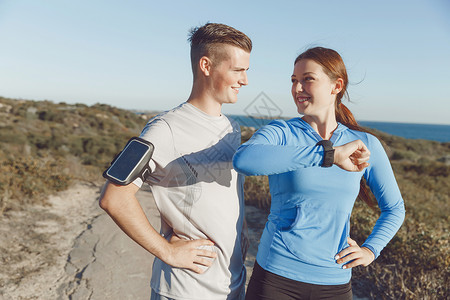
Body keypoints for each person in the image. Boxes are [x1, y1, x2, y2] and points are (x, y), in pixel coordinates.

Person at [233, 47, 405, 300]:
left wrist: (371, 249)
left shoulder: (364, 143)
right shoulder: (281, 132)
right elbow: (244, 160)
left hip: (335, 281)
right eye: (294, 80)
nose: (297, 88)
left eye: (307, 79)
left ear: (336, 86)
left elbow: (395, 208)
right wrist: (328, 155)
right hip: (276, 277)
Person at [99, 23, 252, 300]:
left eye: (246, 71)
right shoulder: (164, 128)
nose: (245, 81)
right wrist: (167, 251)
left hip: (233, 283)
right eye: (237, 70)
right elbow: (114, 198)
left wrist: (240, 233)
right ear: (206, 66)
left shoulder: (232, 128)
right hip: (186, 290)